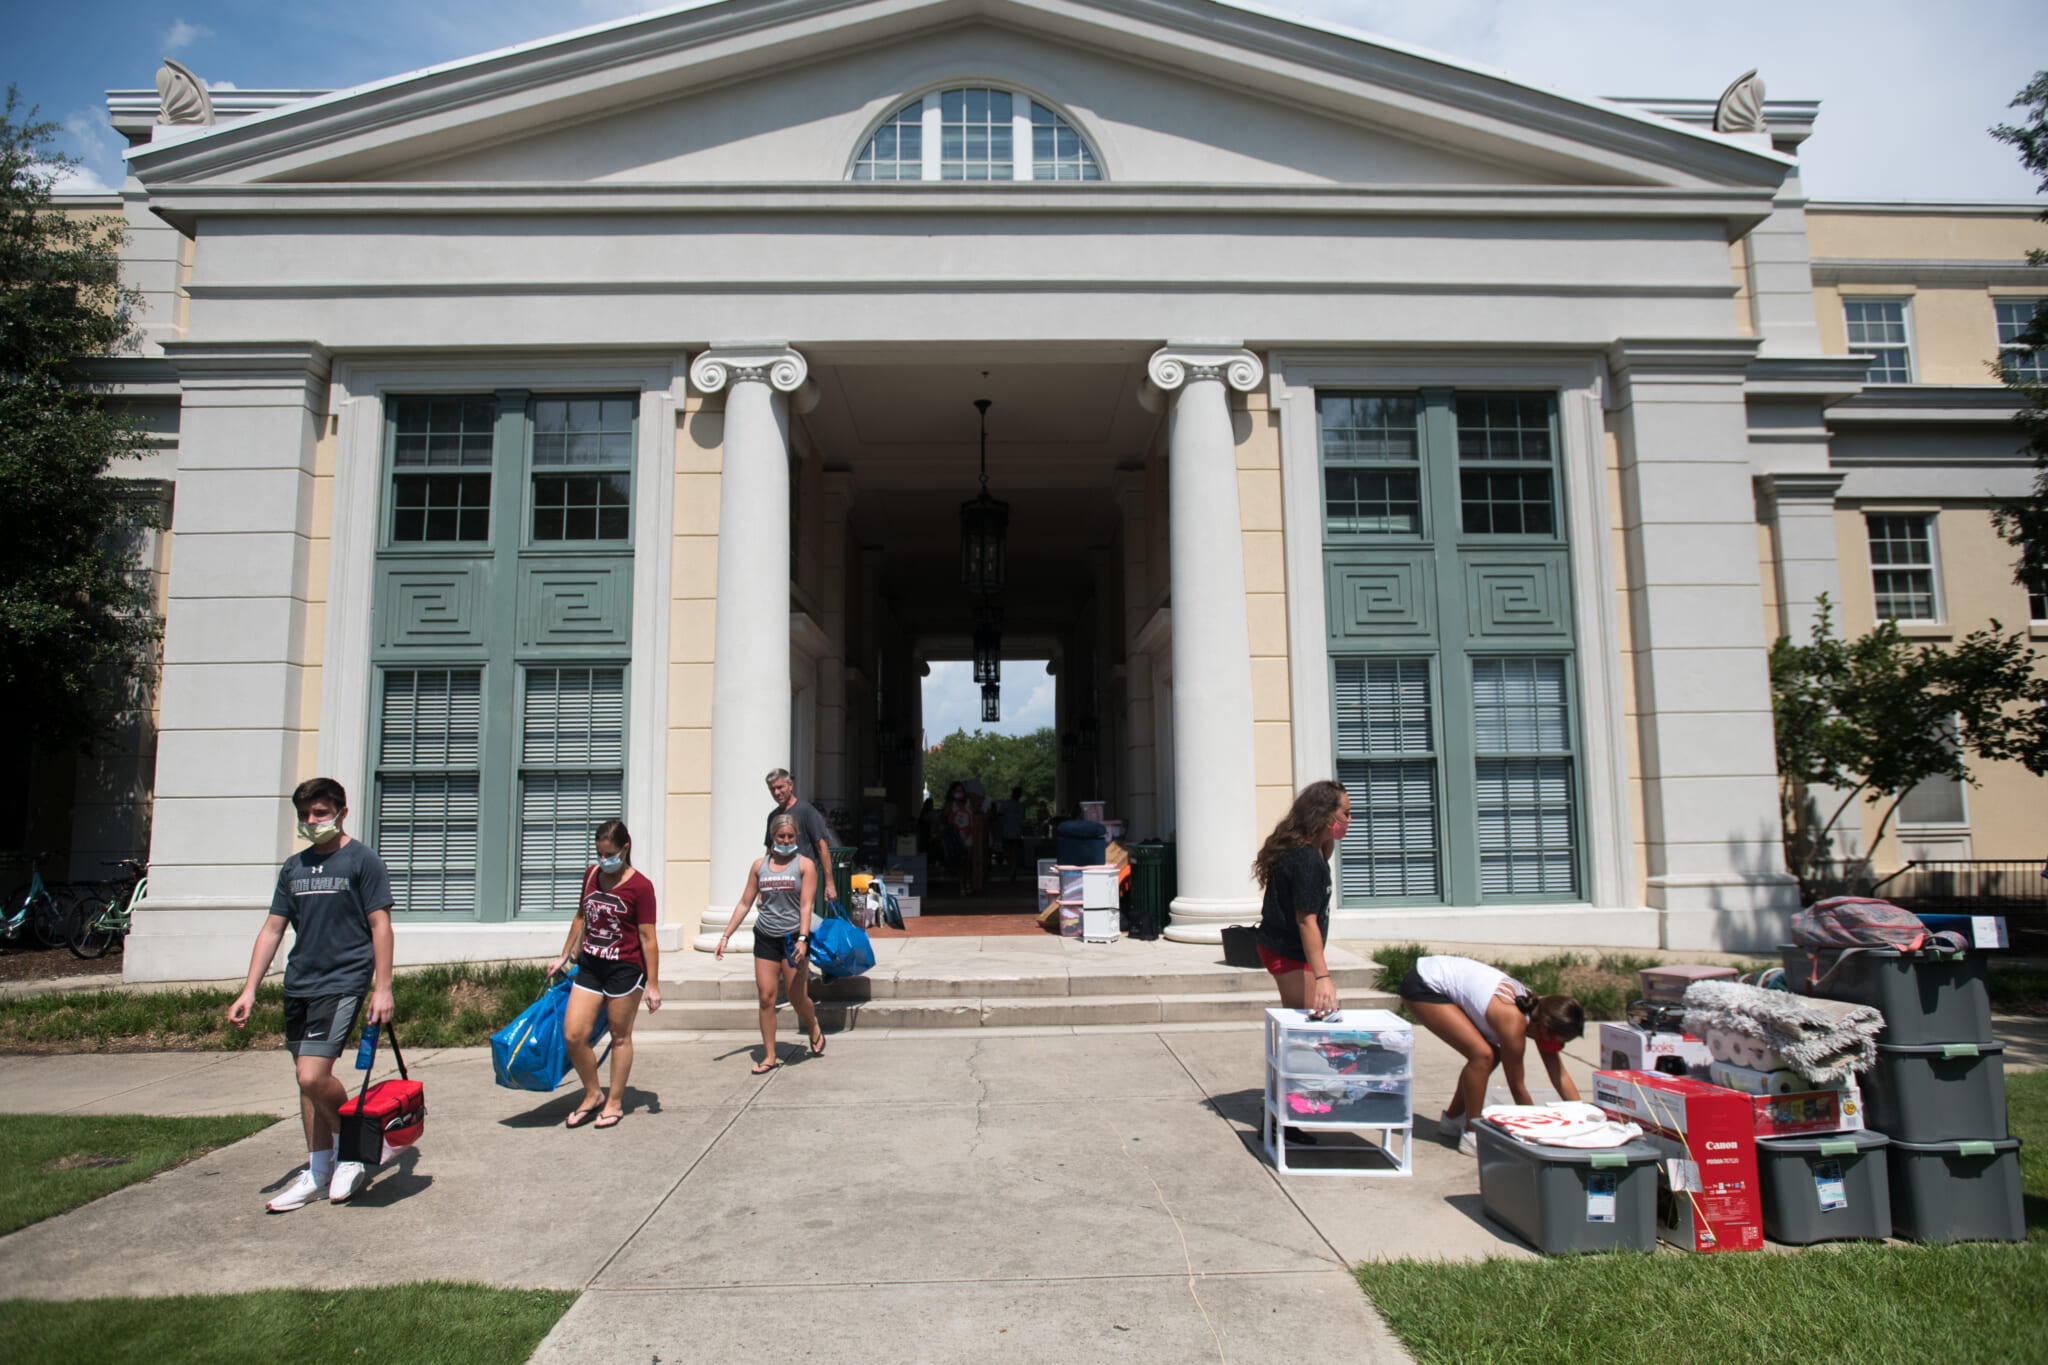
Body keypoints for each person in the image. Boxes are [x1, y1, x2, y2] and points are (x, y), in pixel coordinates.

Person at [227, 777, 395, 1211]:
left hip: (342, 981)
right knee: (306, 1083)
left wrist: (382, 987)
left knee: (312, 1076)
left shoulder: (362, 861)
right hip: (299, 983)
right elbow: (273, 929)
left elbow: (381, 926)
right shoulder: (294, 867)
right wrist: (249, 990)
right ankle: (319, 1170)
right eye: (305, 815)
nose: (311, 821)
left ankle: (352, 1152)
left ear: (341, 812)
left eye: (319, 813)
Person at [1399, 954, 1586, 1156]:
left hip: (1439, 979)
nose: (1562, 1047)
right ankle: (1472, 1134)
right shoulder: (1513, 1021)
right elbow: (1517, 1086)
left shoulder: (1540, 1016)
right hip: (1424, 983)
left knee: (1490, 1055)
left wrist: (1581, 1117)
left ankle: (1453, 1120)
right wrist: (1536, 1135)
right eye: (1562, 1041)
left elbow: (1559, 1074)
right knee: (1483, 1055)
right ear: (1546, 1028)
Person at [544, 819, 661, 1128]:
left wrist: (652, 983)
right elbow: (581, 917)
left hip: (626, 968)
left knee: (620, 1036)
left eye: (609, 853)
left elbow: (648, 938)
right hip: (591, 965)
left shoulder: (641, 887)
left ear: (625, 849)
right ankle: (593, 1093)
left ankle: (615, 1102)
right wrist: (563, 956)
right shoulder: (592, 875)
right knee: (573, 1034)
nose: (603, 859)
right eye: (599, 852)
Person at [715, 810, 827, 1072]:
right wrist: (726, 935)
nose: (785, 840)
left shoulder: (804, 866)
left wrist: (802, 939)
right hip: (766, 936)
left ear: (796, 837)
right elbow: (745, 903)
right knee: (766, 997)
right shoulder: (759, 866)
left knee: (797, 997)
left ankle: (812, 1024)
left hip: (792, 938)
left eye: (790, 836)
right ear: (772, 836)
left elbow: (806, 905)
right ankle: (768, 1055)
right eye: (781, 836)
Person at [765, 768, 835, 904]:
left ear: (790, 785)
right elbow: (769, 851)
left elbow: (822, 847)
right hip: (779, 883)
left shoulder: (807, 811)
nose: (776, 793)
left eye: (780, 787)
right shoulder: (773, 816)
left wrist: (830, 884)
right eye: (772, 789)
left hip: (804, 882)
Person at [939, 781, 980, 894]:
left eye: (960, 791)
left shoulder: (969, 803)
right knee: (961, 861)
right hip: (956, 838)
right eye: (956, 791)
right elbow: (943, 818)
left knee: (969, 861)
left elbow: (979, 805)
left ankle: (968, 881)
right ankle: (962, 885)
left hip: (968, 835)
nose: (959, 793)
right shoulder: (950, 804)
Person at [996, 786, 1027, 884]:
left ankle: (1011, 867)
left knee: (1008, 852)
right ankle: (1012, 868)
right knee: (1013, 853)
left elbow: (999, 815)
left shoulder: (1006, 804)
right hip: (1015, 833)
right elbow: (1022, 820)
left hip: (1007, 833)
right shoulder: (1020, 806)